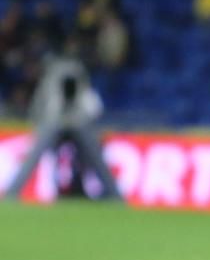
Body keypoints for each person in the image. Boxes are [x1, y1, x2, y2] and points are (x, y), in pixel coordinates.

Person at [5, 49, 123, 201]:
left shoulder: (78, 86)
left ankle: (113, 195)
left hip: (74, 122)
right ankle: (12, 194)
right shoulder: (55, 85)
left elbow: (92, 108)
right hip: (57, 122)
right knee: (33, 157)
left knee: (95, 158)